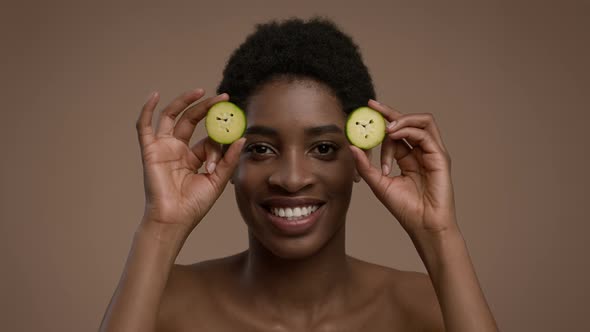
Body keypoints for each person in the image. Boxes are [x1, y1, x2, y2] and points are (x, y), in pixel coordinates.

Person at [99, 17, 499, 331]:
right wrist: (161, 226)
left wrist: (439, 234)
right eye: (260, 149)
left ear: (360, 158)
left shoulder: (431, 306)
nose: (291, 178)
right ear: (228, 160)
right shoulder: (163, 304)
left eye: (323, 148)